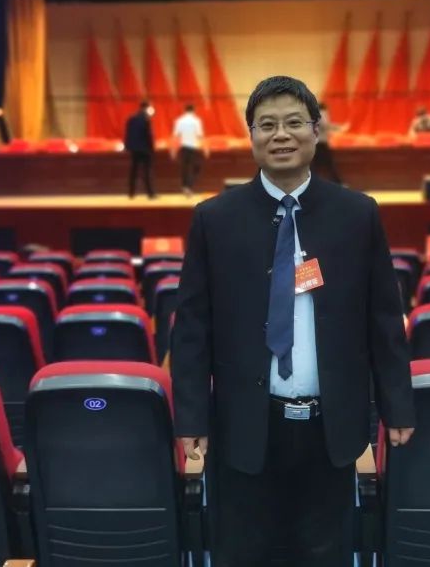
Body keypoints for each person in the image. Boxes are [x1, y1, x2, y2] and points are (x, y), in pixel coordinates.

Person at [171, 76, 415, 567]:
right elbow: (192, 329)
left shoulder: (357, 215)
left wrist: (397, 406)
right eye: (266, 125)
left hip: (330, 426)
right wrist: (192, 417)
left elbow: (384, 320)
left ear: (316, 131)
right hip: (244, 423)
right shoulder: (214, 219)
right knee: (243, 552)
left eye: (293, 123)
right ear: (251, 137)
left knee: (324, 551)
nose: (280, 135)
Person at [124, 101, 156, 199]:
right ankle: (150, 193)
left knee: (133, 170)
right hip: (145, 148)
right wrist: (152, 147)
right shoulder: (146, 119)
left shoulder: (131, 119)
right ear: (146, 108)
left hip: (134, 148)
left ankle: (131, 193)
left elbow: (128, 134)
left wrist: (127, 146)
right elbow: (148, 135)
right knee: (147, 171)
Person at [311, 102, 348, 185]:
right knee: (328, 164)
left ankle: (311, 183)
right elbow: (325, 125)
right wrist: (339, 128)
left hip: (317, 142)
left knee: (317, 165)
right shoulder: (322, 113)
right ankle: (338, 182)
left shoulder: (313, 114)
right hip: (321, 143)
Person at [172, 104, 205, 196]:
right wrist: (205, 148)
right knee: (195, 168)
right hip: (193, 147)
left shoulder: (179, 121)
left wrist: (173, 149)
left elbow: (175, 136)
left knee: (185, 168)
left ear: (185, 110)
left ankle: (185, 186)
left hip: (183, 147)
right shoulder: (196, 121)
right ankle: (188, 187)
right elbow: (200, 135)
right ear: (193, 111)